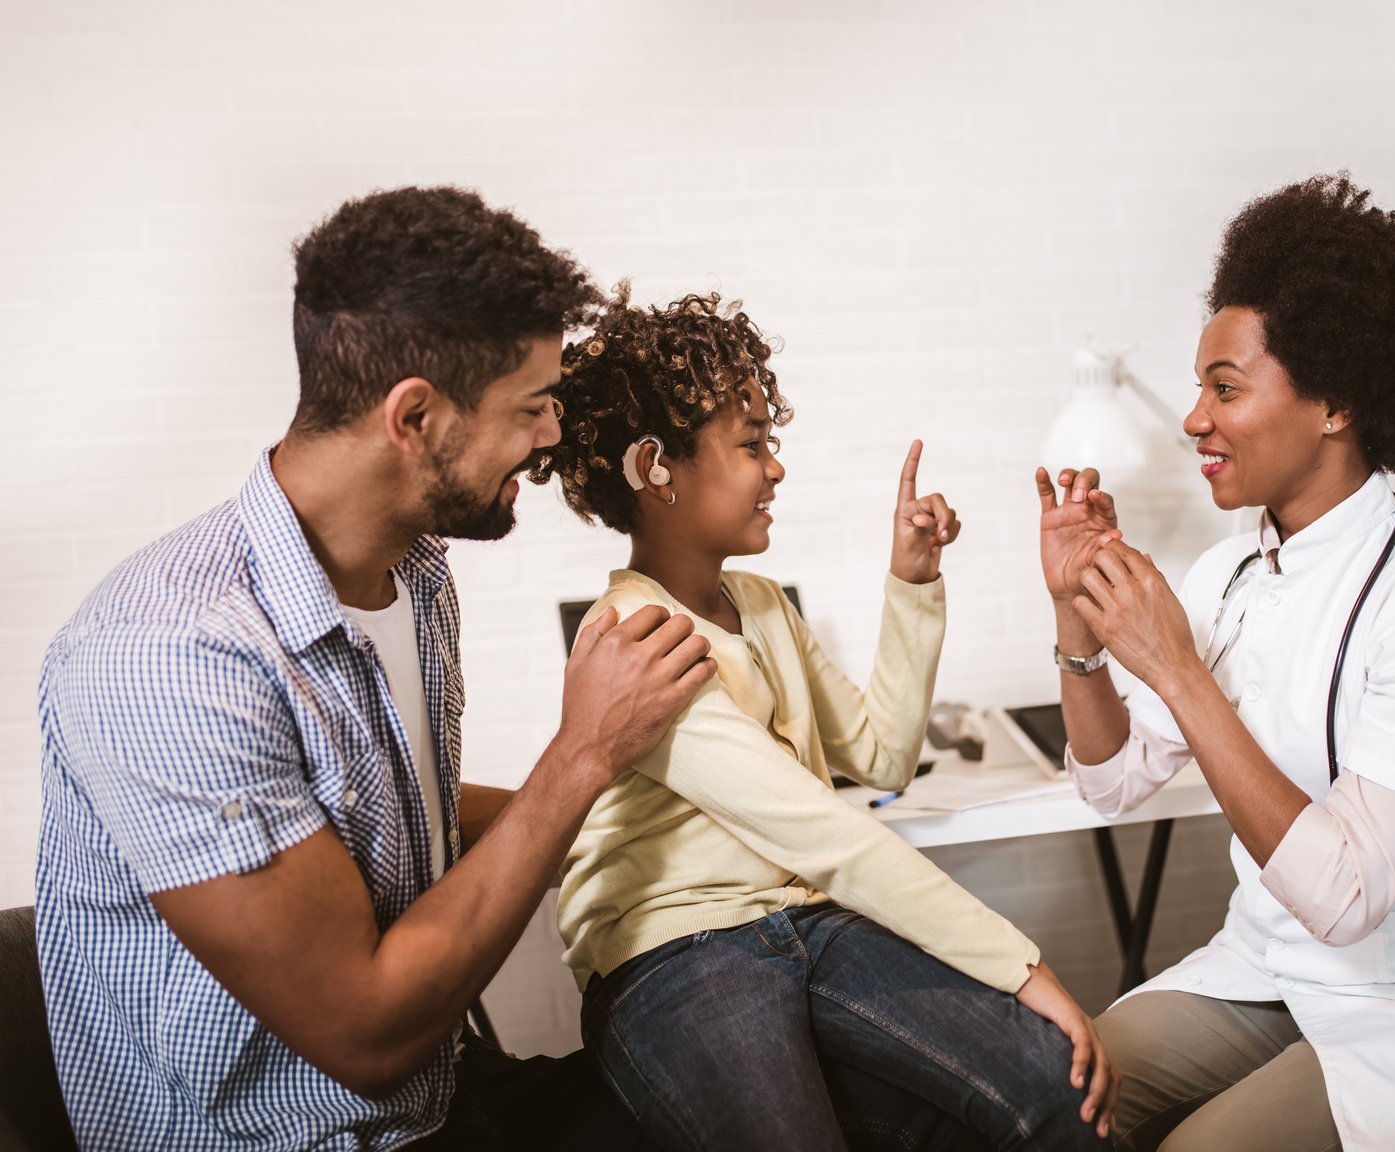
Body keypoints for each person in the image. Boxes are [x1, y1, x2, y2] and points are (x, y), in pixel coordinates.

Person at [34, 186, 720, 1150]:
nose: (553, 435)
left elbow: (412, 824)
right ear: (416, 418)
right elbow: (367, 1032)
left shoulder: (411, 572)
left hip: (439, 1098)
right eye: (530, 407)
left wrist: (693, 804)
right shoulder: (169, 659)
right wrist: (583, 755)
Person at [1035, 174, 1395, 1152]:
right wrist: (1074, 617)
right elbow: (1110, 784)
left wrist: (1179, 672)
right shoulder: (1229, 575)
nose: (1192, 420)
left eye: (1224, 389)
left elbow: (1346, 899)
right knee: (1043, 1098)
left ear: (1334, 400)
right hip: (1270, 972)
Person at [531, 287, 1118, 1151]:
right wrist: (1021, 968)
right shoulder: (635, 640)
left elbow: (879, 758)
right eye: (752, 444)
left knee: (1053, 1092)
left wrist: (912, 582)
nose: (776, 468)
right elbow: (827, 837)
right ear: (655, 468)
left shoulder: (762, 605)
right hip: (677, 956)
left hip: (809, 921)